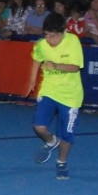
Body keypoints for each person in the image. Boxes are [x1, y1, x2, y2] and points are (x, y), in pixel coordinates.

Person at [26, 13, 84, 180]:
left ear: (63, 32)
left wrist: (55, 65)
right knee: (39, 127)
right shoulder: (42, 44)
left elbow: (75, 67)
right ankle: (51, 141)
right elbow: (36, 59)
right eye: (47, 35)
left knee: (66, 135)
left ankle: (61, 162)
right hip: (49, 91)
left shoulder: (73, 41)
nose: (50, 39)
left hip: (71, 95)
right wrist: (31, 82)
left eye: (54, 35)